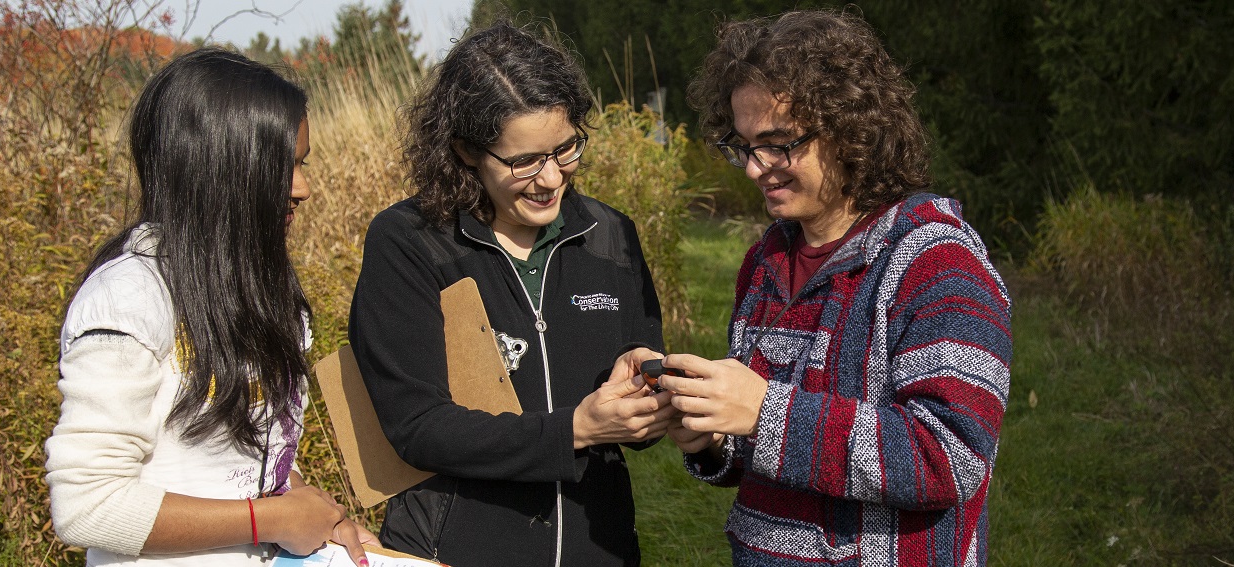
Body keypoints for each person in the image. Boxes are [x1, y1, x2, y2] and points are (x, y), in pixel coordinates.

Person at [639, 10, 1014, 566]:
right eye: (742, 146)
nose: (754, 168)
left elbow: (948, 457)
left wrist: (763, 412)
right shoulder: (766, 263)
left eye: (778, 143)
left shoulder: (938, 263)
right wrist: (714, 435)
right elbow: (769, 453)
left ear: (850, 128)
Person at [346, 21, 674, 567]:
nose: (551, 179)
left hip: (599, 546)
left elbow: (639, 411)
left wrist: (647, 394)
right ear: (466, 151)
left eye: (565, 149)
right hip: (455, 550)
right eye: (524, 161)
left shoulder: (611, 236)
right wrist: (573, 430)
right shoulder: (408, 243)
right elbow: (416, 426)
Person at [45, 48, 375, 566]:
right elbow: (86, 504)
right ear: (221, 170)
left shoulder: (262, 291)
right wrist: (271, 519)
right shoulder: (130, 301)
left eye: (302, 164)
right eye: (282, 167)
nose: (303, 189)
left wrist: (319, 522)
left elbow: (245, 463)